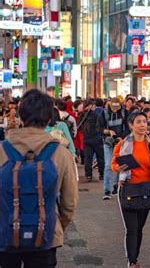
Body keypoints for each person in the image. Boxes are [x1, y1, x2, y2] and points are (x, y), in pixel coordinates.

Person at [0, 89, 78, 267]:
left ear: (21, 117)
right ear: (49, 119)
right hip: (46, 236)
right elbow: (70, 202)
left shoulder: (2, 150)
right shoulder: (61, 153)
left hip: (5, 233)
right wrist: (56, 225)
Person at [111, 111, 150, 268]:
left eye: (144, 121)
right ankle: (132, 262)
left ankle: (134, 257)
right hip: (128, 189)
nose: (143, 124)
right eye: (138, 122)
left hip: (146, 191)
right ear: (131, 125)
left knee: (139, 228)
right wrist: (118, 167)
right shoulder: (123, 144)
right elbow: (114, 164)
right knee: (131, 229)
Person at [102, 97, 129, 200]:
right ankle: (106, 190)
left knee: (119, 164)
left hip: (121, 142)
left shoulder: (124, 113)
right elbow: (99, 127)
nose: (115, 110)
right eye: (113, 108)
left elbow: (128, 127)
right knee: (108, 165)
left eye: (117, 108)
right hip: (108, 142)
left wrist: (121, 137)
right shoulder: (104, 114)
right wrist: (108, 132)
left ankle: (116, 187)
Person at [77, 99, 105, 182]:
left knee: (88, 158)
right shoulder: (96, 114)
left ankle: (88, 175)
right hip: (97, 137)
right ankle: (101, 174)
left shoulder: (82, 115)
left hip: (86, 138)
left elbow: (79, 126)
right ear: (90, 106)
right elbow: (100, 125)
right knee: (100, 157)